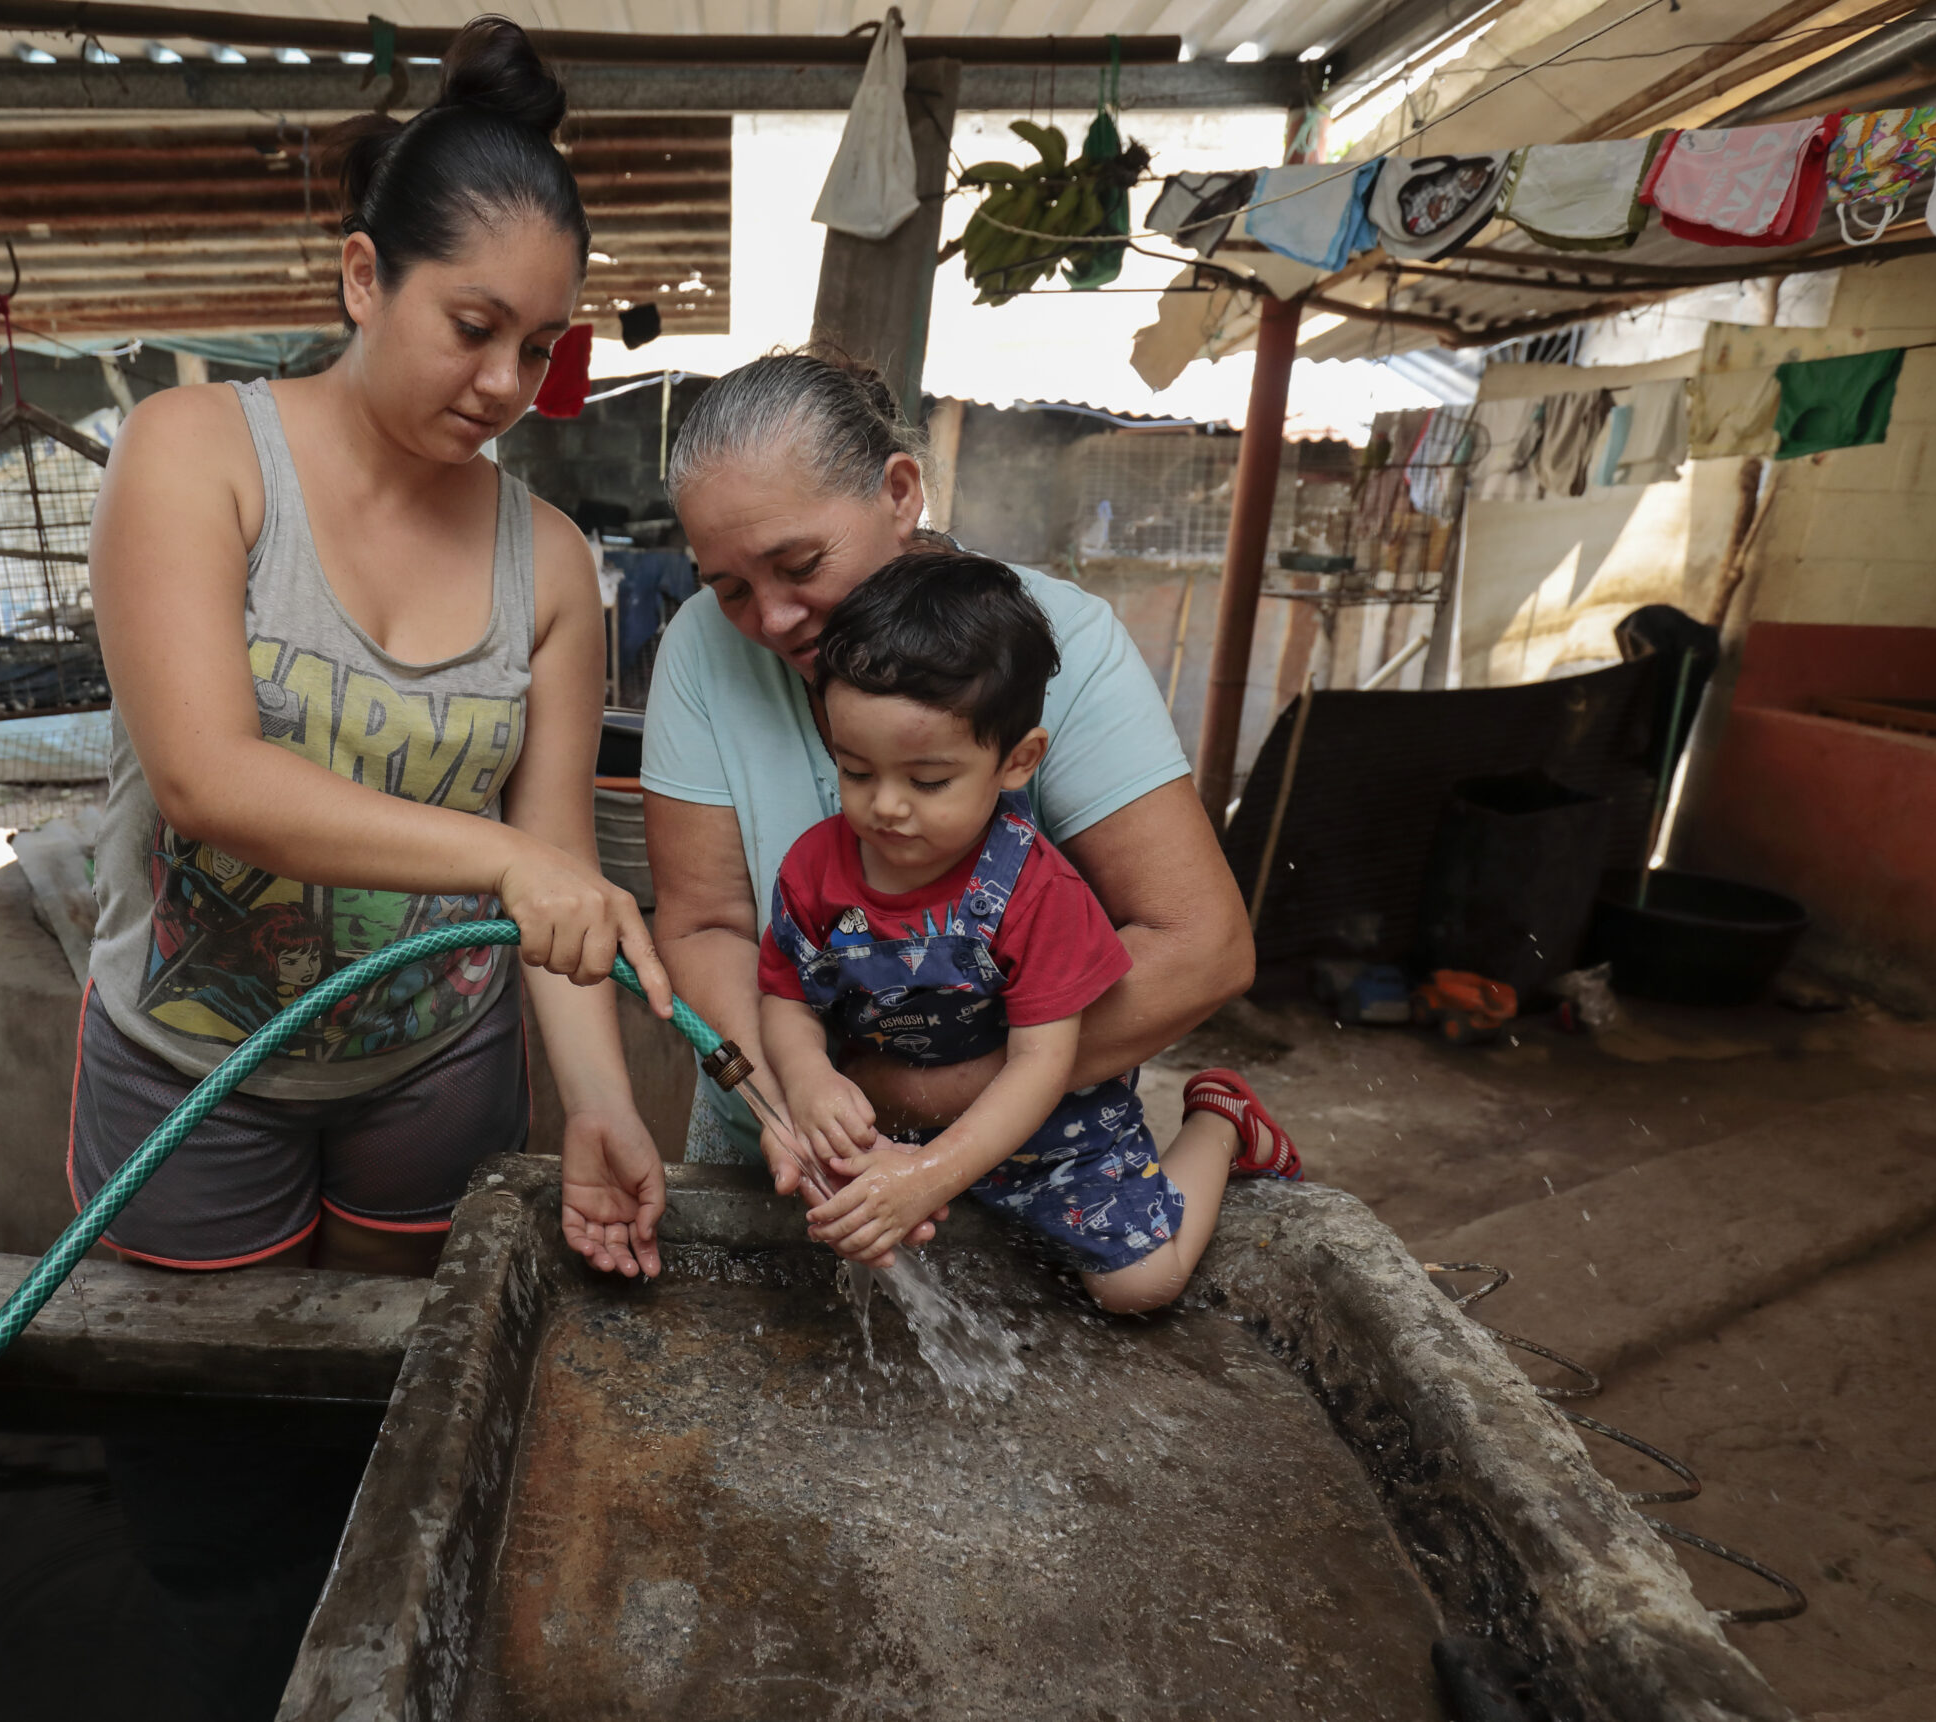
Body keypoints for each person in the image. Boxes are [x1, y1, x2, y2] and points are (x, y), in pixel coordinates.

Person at [75, 16, 672, 1284]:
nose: (508, 381)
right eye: (473, 326)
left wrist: (599, 1102)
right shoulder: (196, 455)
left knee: (410, 1409)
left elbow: (557, 868)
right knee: (214, 1434)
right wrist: (506, 860)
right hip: (195, 1063)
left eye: (541, 346)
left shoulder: (552, 561)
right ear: (364, 278)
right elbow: (207, 779)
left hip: (435, 1066)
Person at [634, 348, 1263, 1303]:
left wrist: (912, 1110)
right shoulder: (702, 649)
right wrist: (787, 1105)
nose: (772, 617)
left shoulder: (1059, 644)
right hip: (792, 1143)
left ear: (898, 492)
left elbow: (1203, 947)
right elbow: (706, 922)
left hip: (1025, 1136)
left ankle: (1223, 1125)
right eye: (727, 586)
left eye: (800, 564)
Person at [757, 553, 1298, 1312]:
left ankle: (1220, 1122)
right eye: (855, 770)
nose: (885, 807)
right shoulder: (815, 870)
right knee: (831, 1243)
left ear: (1017, 761)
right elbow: (784, 995)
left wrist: (933, 1177)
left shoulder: (1033, 890)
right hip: (902, 1127)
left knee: (1141, 1286)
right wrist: (811, 1081)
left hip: (1049, 1127)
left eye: (929, 781)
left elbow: (1043, 1065)